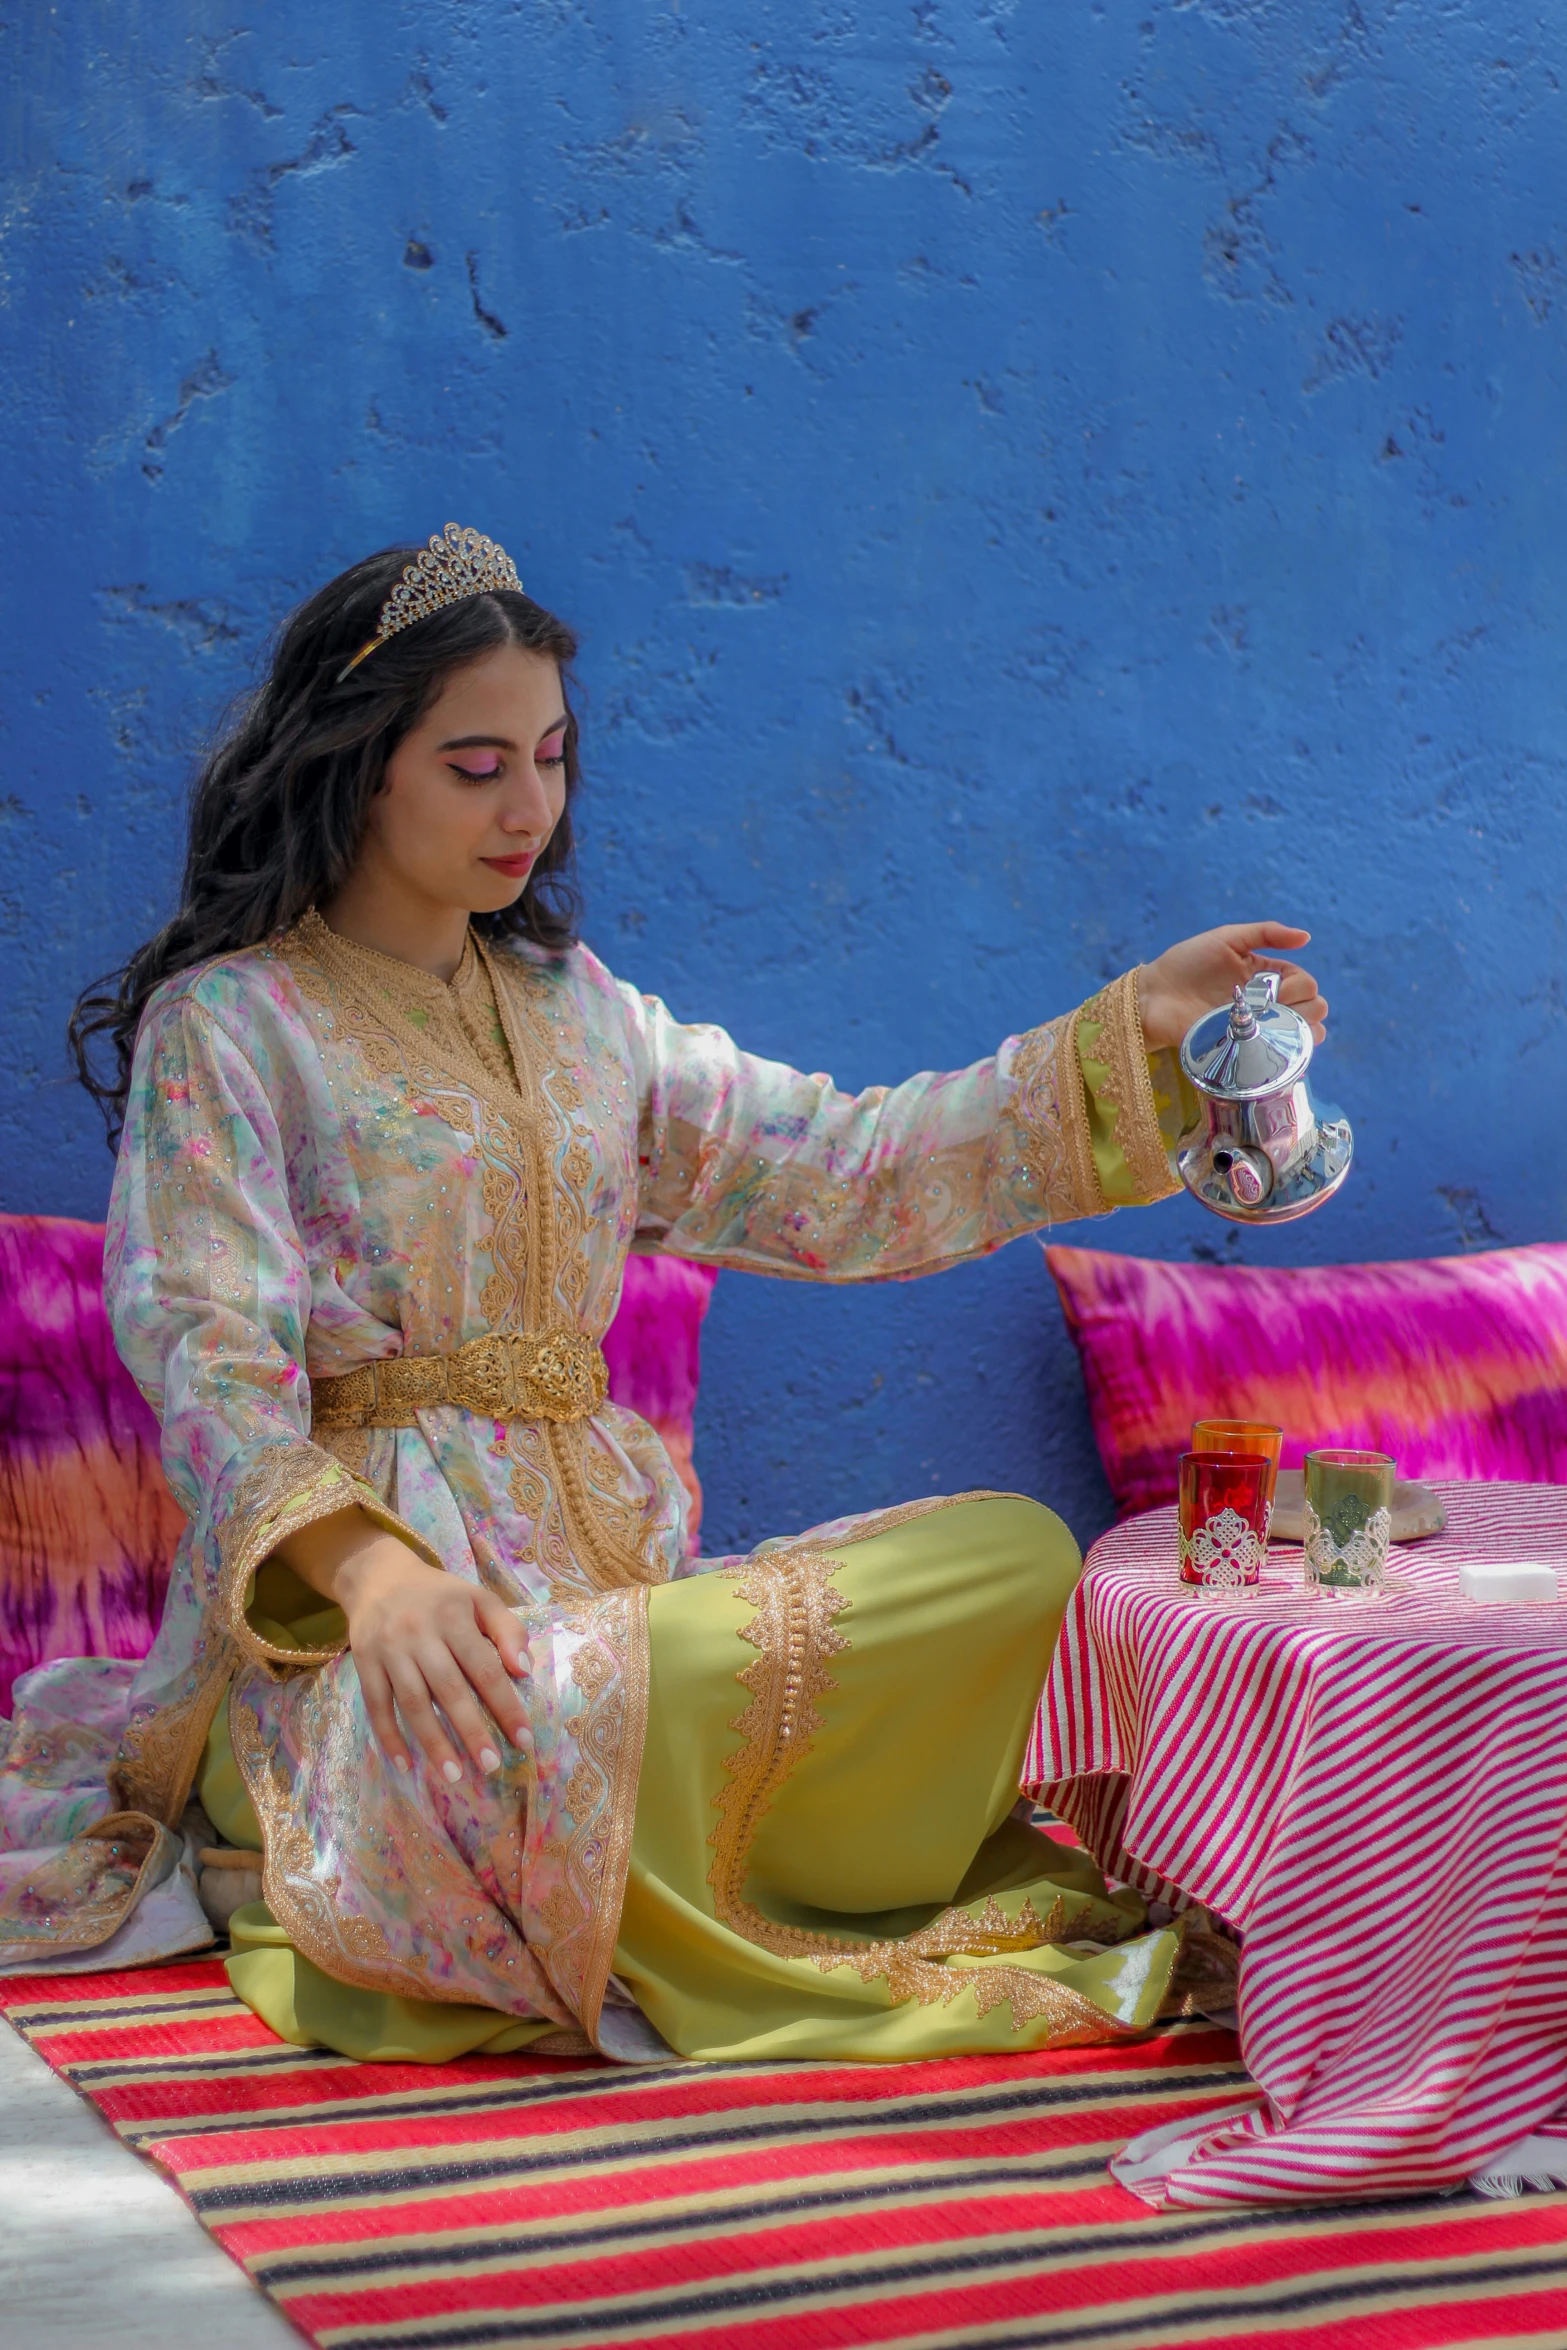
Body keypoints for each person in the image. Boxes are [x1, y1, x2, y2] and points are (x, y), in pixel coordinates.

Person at [1, 526, 1328, 2064]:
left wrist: (1127, 1042)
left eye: (552, 758)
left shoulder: (582, 1017)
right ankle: (509, 1841)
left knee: (1026, 1561)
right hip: (374, 1660)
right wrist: (375, 1581)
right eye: (477, 764)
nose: (532, 807)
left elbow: (842, 1168)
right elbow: (206, 1355)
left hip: (612, 1603)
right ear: (360, 766)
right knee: (554, 1701)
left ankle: (645, 1826)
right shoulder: (231, 1025)